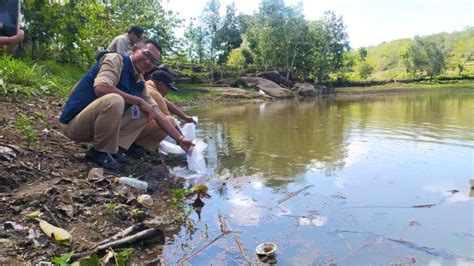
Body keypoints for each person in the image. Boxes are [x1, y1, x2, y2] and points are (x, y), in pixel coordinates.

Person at [59, 39, 193, 170]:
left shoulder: (139, 81)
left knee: (147, 111)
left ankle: (115, 150)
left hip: (97, 127)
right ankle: (98, 152)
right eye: (146, 55)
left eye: (152, 61)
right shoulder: (115, 59)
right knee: (115, 100)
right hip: (74, 124)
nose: (147, 62)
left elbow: (156, 112)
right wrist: (139, 101)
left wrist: (180, 139)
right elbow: (101, 88)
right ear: (135, 49)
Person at [133, 68, 196, 150]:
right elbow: (167, 122)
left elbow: (167, 103)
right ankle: (141, 146)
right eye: (168, 88)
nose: (168, 91)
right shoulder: (154, 93)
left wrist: (185, 117)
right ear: (160, 83)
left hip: (130, 125)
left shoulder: (147, 85)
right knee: (170, 120)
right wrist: (182, 139)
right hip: (132, 132)